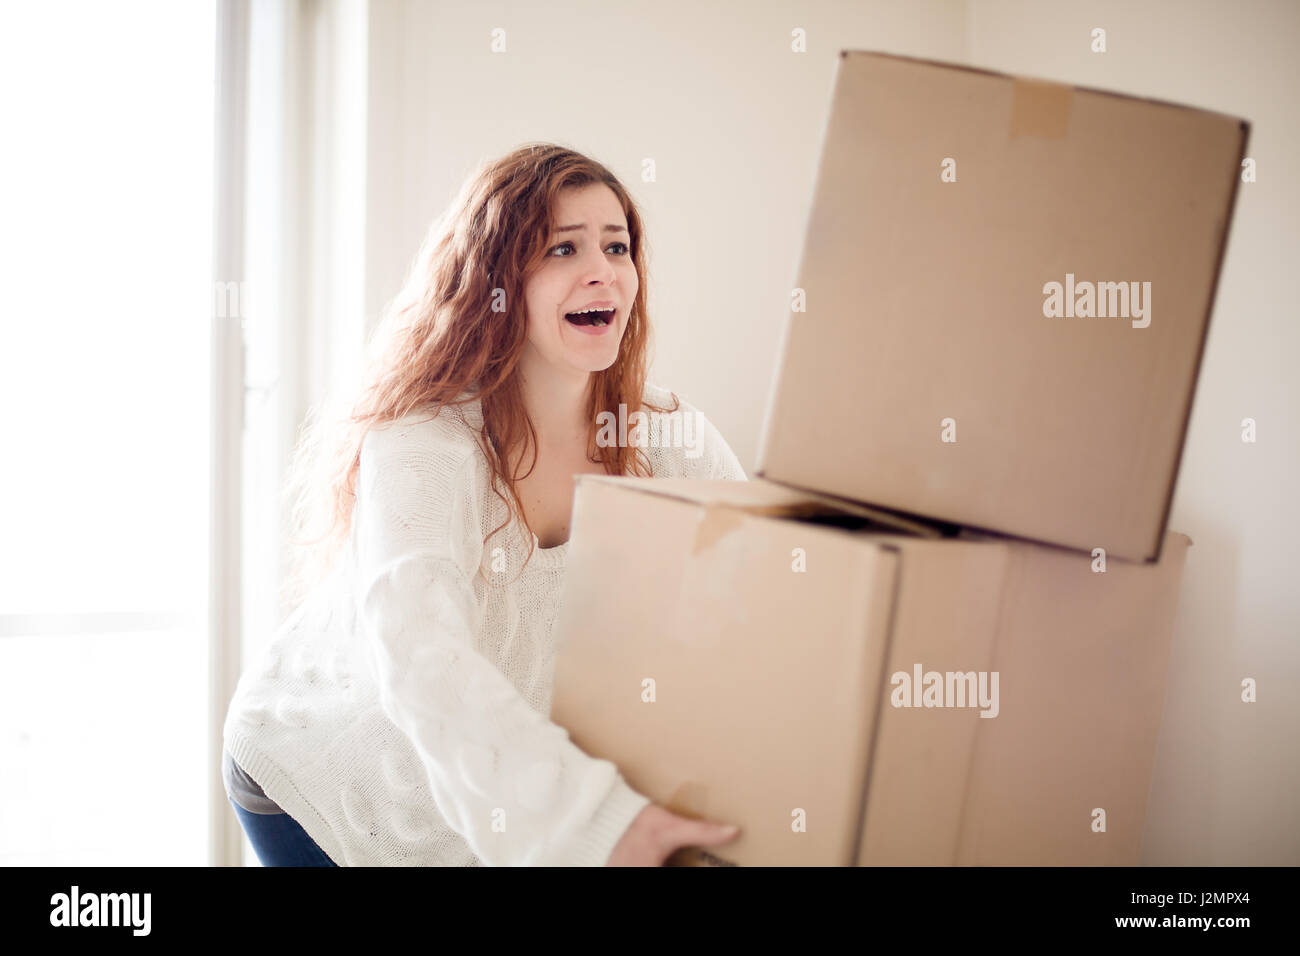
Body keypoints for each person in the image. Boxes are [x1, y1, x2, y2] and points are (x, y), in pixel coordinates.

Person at [222, 143, 746, 866]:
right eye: (563, 248)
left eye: (617, 246)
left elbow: (761, 591)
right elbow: (421, 653)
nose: (602, 270)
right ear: (498, 280)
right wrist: (596, 820)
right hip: (326, 775)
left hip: (486, 784)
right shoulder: (426, 443)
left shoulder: (665, 437)